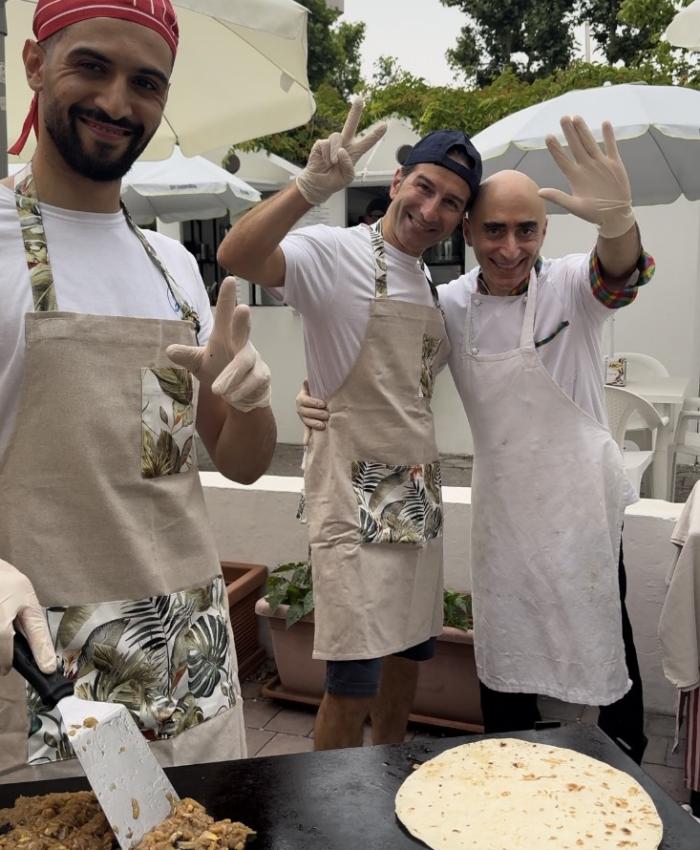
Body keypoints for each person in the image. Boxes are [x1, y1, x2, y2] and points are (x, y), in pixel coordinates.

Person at [296, 116, 654, 764]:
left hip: (580, 513)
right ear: (468, 230)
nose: (511, 247)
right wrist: (314, 392)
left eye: (526, 231)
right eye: (494, 229)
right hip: (503, 515)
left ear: (545, 233)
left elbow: (619, 276)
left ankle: (622, 759)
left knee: (603, 634)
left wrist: (618, 222)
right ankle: (507, 766)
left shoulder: (573, 287)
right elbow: (391, 366)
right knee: (500, 659)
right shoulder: (450, 303)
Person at [0, 0, 275, 783]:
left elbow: (241, 462)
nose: (118, 103)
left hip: (188, 653)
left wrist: (249, 401)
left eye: (145, 83)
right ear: (33, 64)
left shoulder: (175, 268)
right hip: (46, 664)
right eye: (91, 66)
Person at [217, 98, 482, 750]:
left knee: (406, 656)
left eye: (451, 202)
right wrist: (308, 189)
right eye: (424, 187)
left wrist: (318, 387)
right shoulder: (333, 253)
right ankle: (331, 817)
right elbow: (238, 255)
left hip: (415, 484)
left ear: (460, 218)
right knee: (351, 675)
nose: (431, 209)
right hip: (348, 484)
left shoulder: (431, 287)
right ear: (396, 183)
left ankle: (387, 779)